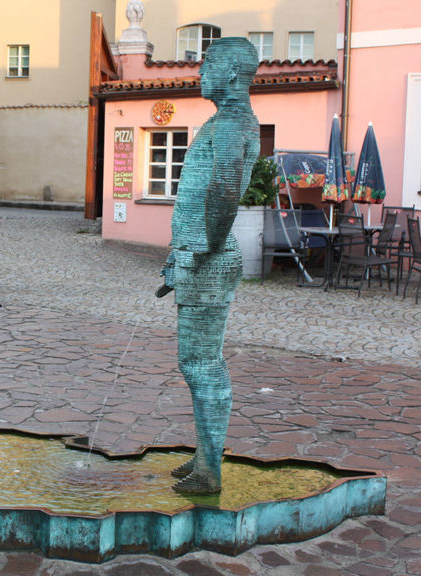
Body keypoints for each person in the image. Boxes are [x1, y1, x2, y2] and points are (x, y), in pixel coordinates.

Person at [159, 37, 260, 494]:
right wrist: (177, 254)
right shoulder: (224, 121)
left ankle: (209, 471)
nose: (200, 73)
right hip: (200, 254)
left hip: (209, 258)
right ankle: (205, 456)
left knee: (201, 363)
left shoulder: (234, 124)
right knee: (198, 362)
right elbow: (206, 192)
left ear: (233, 73)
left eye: (208, 65)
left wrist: (204, 247)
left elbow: (224, 187)